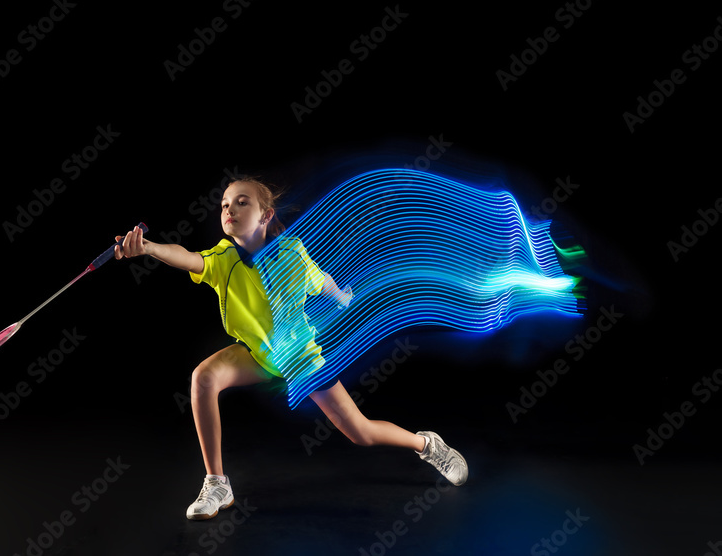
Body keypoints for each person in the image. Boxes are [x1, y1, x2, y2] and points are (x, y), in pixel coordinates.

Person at [114, 177, 467, 520]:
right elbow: (188, 258)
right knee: (203, 377)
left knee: (361, 432)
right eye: (224, 204)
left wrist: (340, 295)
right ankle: (217, 484)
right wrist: (148, 248)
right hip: (255, 354)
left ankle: (427, 445)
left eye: (241, 202)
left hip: (300, 359)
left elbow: (320, 279)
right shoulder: (223, 259)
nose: (229, 209)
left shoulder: (290, 255)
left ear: (266, 215)